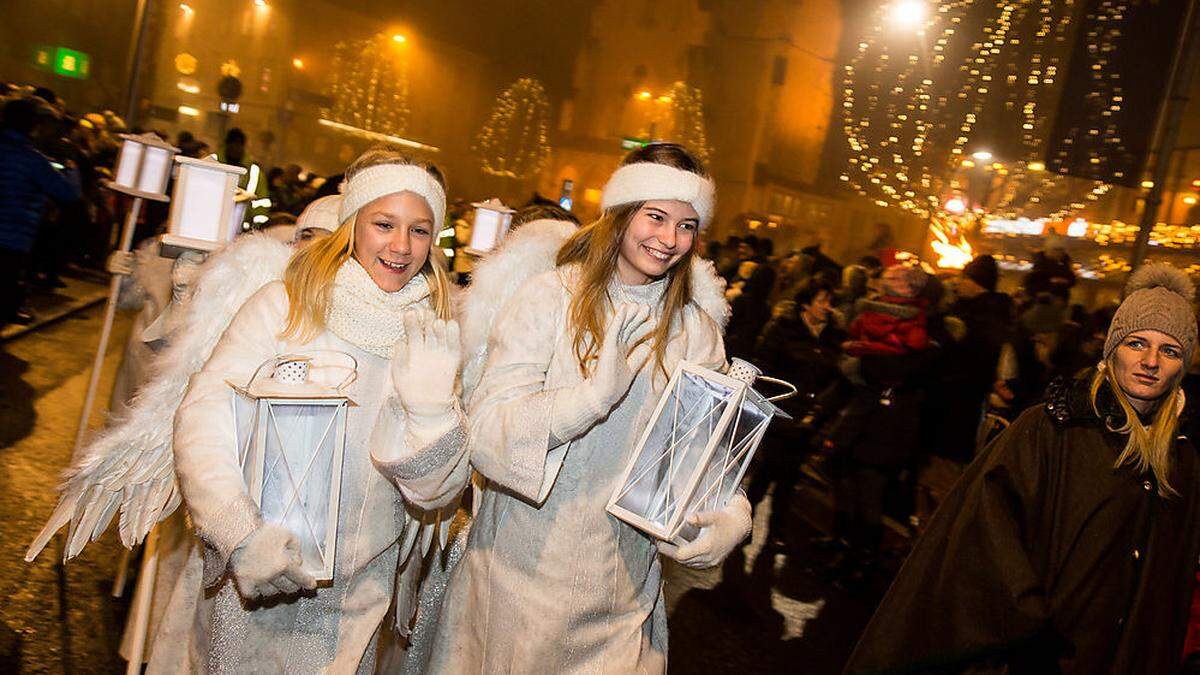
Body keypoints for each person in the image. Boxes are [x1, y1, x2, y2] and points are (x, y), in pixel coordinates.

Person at [428, 143, 748, 673]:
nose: (669, 240)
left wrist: (727, 514)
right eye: (656, 217)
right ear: (621, 214)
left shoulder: (695, 332)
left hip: (623, 592)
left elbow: (699, 455)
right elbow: (485, 434)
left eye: (687, 226)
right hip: (519, 580)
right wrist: (587, 402)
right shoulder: (549, 299)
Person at [157, 150, 470, 672]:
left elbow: (436, 490)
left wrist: (433, 411)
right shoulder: (284, 306)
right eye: (384, 224)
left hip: (357, 600)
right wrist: (239, 534)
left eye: (419, 231)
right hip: (258, 577)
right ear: (351, 226)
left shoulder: (433, 335)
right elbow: (203, 421)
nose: (401, 245)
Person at [847, 263, 1200, 674]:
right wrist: (1033, 624)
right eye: (1137, 343)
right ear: (1112, 349)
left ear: (1182, 366)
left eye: (1169, 350)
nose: (1151, 361)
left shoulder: (1181, 460)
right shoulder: (1051, 429)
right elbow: (985, 535)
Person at [0, 96, 81, 325]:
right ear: (34, 126)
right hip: (12, 240)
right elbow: (68, 194)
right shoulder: (32, 160)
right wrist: (71, 168)